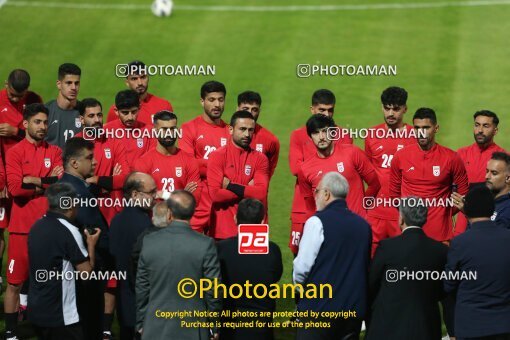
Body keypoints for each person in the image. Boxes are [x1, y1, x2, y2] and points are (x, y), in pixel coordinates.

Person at [4, 103, 63, 340]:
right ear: (26, 124)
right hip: (21, 230)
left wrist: (35, 180)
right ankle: (10, 332)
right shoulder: (15, 152)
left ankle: (45, 328)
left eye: (45, 122)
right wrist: (45, 183)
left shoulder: (56, 151)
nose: (42, 127)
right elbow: (16, 189)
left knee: (49, 282)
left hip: (48, 229)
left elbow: (59, 184)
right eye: (37, 122)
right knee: (15, 284)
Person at [294, 172, 371, 340]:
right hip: (352, 313)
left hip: (319, 312)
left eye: (318, 191)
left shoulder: (316, 222)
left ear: (327, 194)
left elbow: (301, 270)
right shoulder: (364, 225)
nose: (315, 196)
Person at [136, 190, 222, 340]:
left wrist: (141, 322)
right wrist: (214, 325)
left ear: (169, 213)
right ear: (193, 213)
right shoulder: (205, 244)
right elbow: (213, 290)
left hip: (155, 326)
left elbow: (142, 288)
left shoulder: (149, 242)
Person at [366, 197, 448, 340]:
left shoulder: (387, 247)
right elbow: (442, 290)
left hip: (389, 325)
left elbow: (372, 283)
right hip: (425, 327)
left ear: (401, 219)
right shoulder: (440, 250)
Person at [27, 183, 101, 340]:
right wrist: (91, 246)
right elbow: (86, 274)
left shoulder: (36, 226)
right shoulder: (69, 230)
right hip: (61, 316)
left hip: (37, 310)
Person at [390, 107, 469, 242]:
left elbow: (463, 193)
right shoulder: (400, 157)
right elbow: (394, 194)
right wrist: (409, 215)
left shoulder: (451, 158)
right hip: (410, 232)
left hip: (440, 235)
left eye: (426, 127)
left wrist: (445, 213)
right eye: (417, 128)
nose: (421, 132)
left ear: (436, 128)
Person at [288, 89, 352, 255]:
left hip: (335, 207)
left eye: (330, 110)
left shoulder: (343, 135)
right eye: (322, 110)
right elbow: (295, 168)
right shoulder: (298, 135)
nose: (327, 114)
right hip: (304, 206)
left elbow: (345, 170)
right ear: (312, 110)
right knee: (300, 256)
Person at [58, 137, 110, 340]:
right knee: (89, 323)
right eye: (89, 157)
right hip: (87, 268)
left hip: (73, 269)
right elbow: (94, 232)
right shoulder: (78, 192)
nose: (95, 161)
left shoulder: (65, 185)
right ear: (74, 163)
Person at [444, 185, 510, 340]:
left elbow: (448, 284)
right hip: (504, 324)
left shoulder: (460, 243)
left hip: (471, 326)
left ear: (467, 209)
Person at [216, 198, 283, 340]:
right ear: (263, 221)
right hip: (261, 327)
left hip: (230, 325)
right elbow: (275, 276)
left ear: (235, 219)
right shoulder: (272, 250)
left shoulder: (221, 249)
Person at [364, 86, 416, 256]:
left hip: (401, 215)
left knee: (401, 263)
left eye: (396, 109)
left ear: (405, 109)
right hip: (375, 213)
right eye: (387, 108)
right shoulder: (371, 135)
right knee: (369, 262)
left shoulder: (414, 137)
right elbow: (368, 173)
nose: (391, 113)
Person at [299, 114, 380, 220]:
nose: (321, 137)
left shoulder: (353, 153)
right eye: (316, 133)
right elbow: (310, 208)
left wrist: (362, 209)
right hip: (329, 230)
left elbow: (374, 184)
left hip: (356, 224)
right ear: (310, 137)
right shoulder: (305, 169)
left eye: (325, 131)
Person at [207, 111, 269, 239]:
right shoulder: (217, 156)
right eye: (242, 129)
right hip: (221, 231)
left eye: (251, 130)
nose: (247, 134)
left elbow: (261, 193)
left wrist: (229, 185)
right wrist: (248, 188)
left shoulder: (260, 159)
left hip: (252, 231)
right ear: (230, 129)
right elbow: (215, 195)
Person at [109, 172, 156, 340]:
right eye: (151, 192)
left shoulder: (116, 220)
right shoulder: (146, 226)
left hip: (124, 305)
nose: (155, 197)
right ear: (135, 194)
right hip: (143, 306)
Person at [180, 80, 230, 233]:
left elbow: (235, 168)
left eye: (220, 100)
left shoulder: (230, 131)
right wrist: (218, 168)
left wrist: (202, 164)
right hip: (198, 205)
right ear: (202, 101)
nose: (217, 105)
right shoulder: (188, 128)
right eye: (211, 100)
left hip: (223, 205)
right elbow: (188, 165)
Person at [76, 98, 130, 224]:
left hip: (110, 214)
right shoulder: (75, 144)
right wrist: (109, 183)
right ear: (81, 119)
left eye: (99, 115)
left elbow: (125, 179)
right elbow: (74, 183)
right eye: (91, 116)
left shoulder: (114, 142)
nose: (97, 120)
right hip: (83, 213)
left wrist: (96, 180)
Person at [133, 111, 201, 204]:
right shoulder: (143, 162)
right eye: (164, 129)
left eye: (172, 129)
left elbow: (194, 199)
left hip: (179, 218)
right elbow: (141, 199)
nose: (169, 133)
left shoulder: (189, 161)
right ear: (155, 131)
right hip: (153, 218)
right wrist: (182, 196)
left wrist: (163, 195)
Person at [455, 110, 506, 235]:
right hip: (462, 223)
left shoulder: (503, 158)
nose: (480, 130)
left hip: (490, 220)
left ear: (495, 131)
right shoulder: (460, 154)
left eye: (486, 126)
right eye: (477, 125)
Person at [453, 151, 510, 230]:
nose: (487, 176)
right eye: (487, 171)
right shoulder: (484, 201)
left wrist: (470, 215)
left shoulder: (507, 209)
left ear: (508, 178)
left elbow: (492, 238)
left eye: (494, 173)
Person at [106, 60, 173, 127]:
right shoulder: (118, 109)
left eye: (143, 77)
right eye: (134, 79)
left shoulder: (164, 106)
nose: (140, 83)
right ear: (127, 82)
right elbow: (110, 134)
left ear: (148, 78)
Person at [103, 90, 155, 171]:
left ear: (139, 108)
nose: (130, 117)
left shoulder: (150, 132)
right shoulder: (105, 131)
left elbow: (152, 162)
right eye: (125, 113)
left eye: (134, 112)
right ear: (116, 111)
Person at [237, 91, 280, 179]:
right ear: (237, 109)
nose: (250, 113)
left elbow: (267, 174)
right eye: (245, 108)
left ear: (259, 111)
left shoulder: (270, 140)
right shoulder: (225, 133)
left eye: (254, 109)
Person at [131, 201, 171, 283]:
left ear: (153, 218)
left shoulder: (144, 237)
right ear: (170, 218)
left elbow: (135, 256)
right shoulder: (175, 236)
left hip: (148, 283)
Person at [45, 63, 82, 148]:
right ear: (59, 84)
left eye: (76, 83)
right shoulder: (46, 112)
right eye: (69, 83)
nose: (73, 87)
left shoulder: (85, 111)